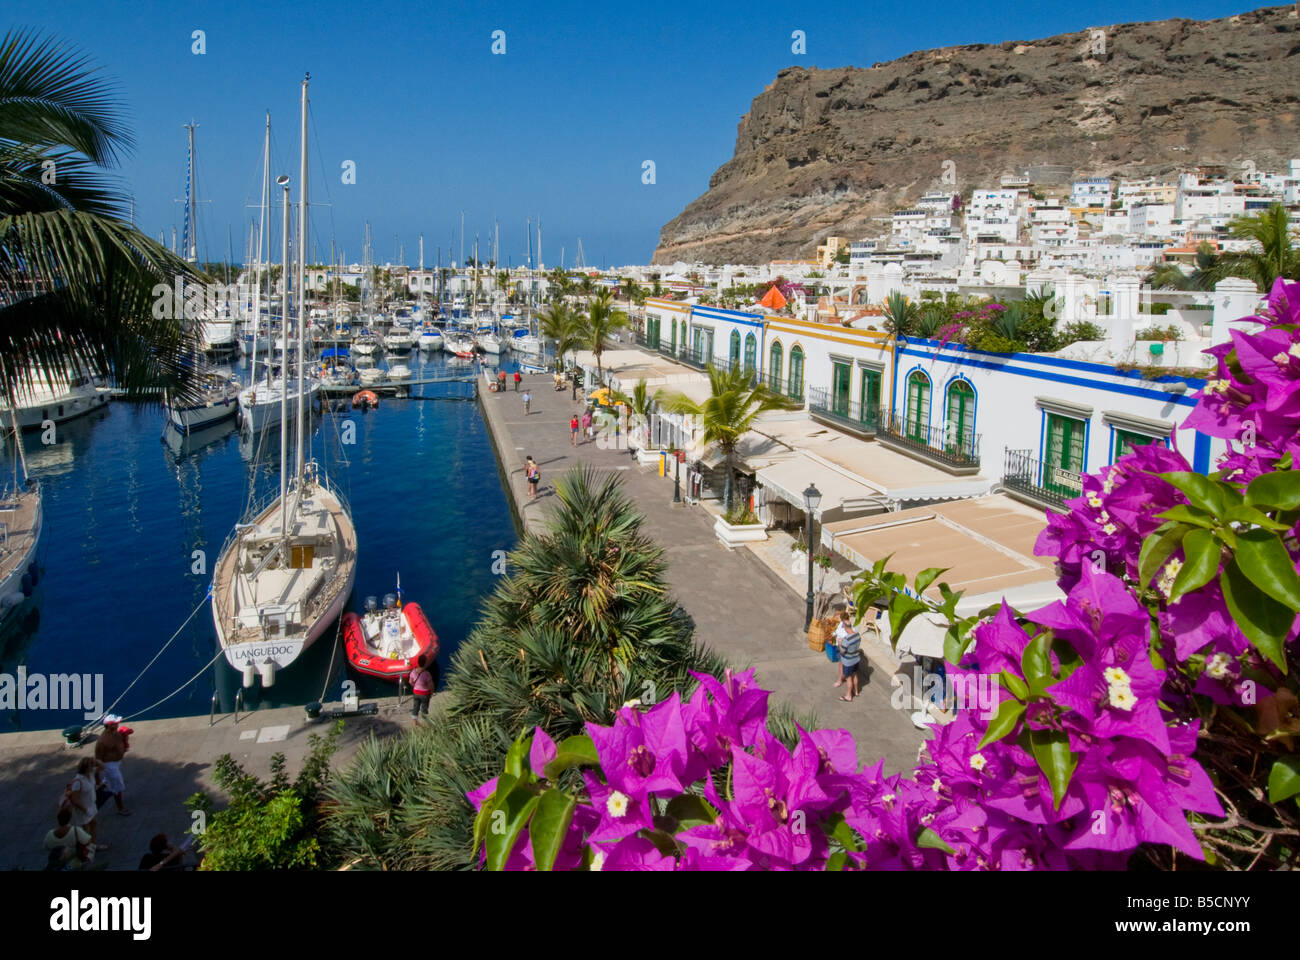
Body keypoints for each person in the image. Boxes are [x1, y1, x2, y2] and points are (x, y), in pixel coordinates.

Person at [63, 757, 107, 850]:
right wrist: (85, 810)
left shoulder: (90, 774)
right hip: (83, 809)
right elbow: (74, 799)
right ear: (86, 767)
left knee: (94, 824)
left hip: (91, 804)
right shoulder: (78, 781)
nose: (93, 766)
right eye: (91, 765)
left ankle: (93, 845)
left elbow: (103, 766)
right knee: (86, 830)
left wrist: (96, 761)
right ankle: (86, 849)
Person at [94, 715, 130, 816]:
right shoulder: (102, 741)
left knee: (111, 782)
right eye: (116, 723)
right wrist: (97, 778)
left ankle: (105, 785)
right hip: (110, 766)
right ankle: (120, 808)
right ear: (110, 726)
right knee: (117, 786)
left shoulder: (116, 733)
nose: (118, 723)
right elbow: (98, 759)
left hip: (117, 762)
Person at [836, 609, 863, 702]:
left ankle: (848, 695)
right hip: (856, 659)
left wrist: (840, 643)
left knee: (848, 678)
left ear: (846, 628)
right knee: (855, 675)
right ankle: (856, 691)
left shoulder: (846, 640)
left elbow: (842, 651)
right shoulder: (858, 635)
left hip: (848, 661)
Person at [409, 656, 434, 722]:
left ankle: (415, 722)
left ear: (418, 662)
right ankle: (425, 721)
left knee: (415, 707)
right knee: (424, 708)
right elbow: (430, 685)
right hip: (425, 694)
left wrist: (415, 686)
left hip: (416, 692)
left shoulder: (413, 672)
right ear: (425, 663)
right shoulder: (427, 674)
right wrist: (431, 693)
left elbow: (410, 682)